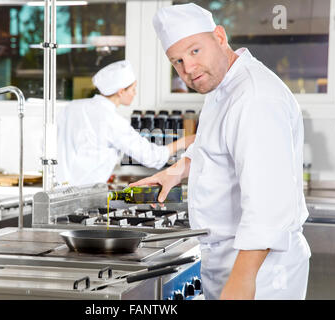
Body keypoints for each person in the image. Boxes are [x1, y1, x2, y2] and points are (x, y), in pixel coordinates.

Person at [130, 3, 311, 300]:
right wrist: (175, 172)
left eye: (194, 51)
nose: (188, 68)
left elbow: (268, 207)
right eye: (177, 61)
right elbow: (211, 148)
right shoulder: (222, 87)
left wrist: (241, 283)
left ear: (220, 36)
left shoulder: (254, 97)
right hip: (230, 264)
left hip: (259, 274)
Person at [57, 60, 195, 186]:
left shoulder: (72, 107)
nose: (135, 93)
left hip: (57, 188)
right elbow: (152, 156)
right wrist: (186, 141)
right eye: (133, 88)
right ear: (121, 92)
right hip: (82, 193)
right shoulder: (112, 120)